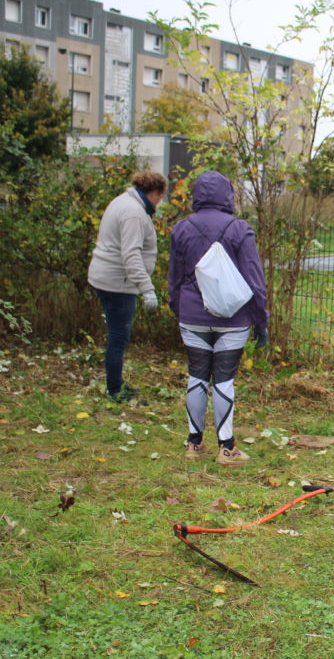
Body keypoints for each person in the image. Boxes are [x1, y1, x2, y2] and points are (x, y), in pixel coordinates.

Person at [168, 170, 268, 466]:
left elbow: (173, 278)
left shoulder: (182, 229)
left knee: (197, 375)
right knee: (224, 380)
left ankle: (193, 445)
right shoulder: (239, 229)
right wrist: (261, 319)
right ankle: (227, 449)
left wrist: (179, 308)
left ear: (197, 194)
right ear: (227, 194)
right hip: (233, 319)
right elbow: (254, 278)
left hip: (192, 315)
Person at [88, 170, 168, 403]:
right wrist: (147, 288)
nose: (159, 202)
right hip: (117, 282)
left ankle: (116, 384)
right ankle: (116, 391)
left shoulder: (122, 201)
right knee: (118, 337)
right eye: (160, 197)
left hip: (107, 277)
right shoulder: (134, 213)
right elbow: (131, 255)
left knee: (117, 335)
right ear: (153, 192)